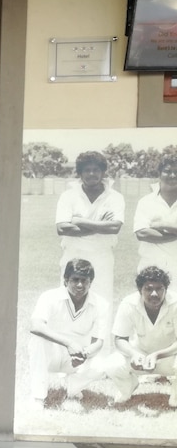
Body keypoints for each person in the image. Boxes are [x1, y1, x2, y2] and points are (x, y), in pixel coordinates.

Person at [28, 258, 109, 404]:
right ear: (65, 280)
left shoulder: (101, 304)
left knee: (103, 364)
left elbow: (98, 342)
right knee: (38, 341)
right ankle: (38, 397)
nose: (80, 285)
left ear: (90, 282)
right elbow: (36, 326)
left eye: (84, 280)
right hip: (51, 354)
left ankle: (73, 388)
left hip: (77, 357)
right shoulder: (50, 297)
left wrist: (85, 354)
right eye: (75, 280)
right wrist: (69, 343)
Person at [55, 151, 124, 305]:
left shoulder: (115, 197)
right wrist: (100, 225)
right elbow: (62, 228)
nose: (91, 174)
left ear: (103, 172)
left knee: (101, 303)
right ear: (80, 173)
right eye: (87, 170)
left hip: (102, 256)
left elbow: (114, 227)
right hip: (73, 255)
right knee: (69, 302)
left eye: (96, 170)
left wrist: (79, 221)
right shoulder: (68, 196)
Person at [103, 265, 177, 407]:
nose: (154, 293)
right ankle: (127, 388)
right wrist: (134, 354)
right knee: (111, 364)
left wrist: (157, 355)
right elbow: (119, 339)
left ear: (166, 289)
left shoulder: (176, 303)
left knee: (174, 404)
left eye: (159, 288)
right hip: (141, 356)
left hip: (169, 356)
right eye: (148, 289)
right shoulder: (128, 303)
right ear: (140, 290)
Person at [133, 156, 177, 277]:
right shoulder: (146, 201)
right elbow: (142, 233)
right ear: (159, 173)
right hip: (151, 265)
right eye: (167, 171)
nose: (173, 175)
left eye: (176, 171)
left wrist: (162, 225)